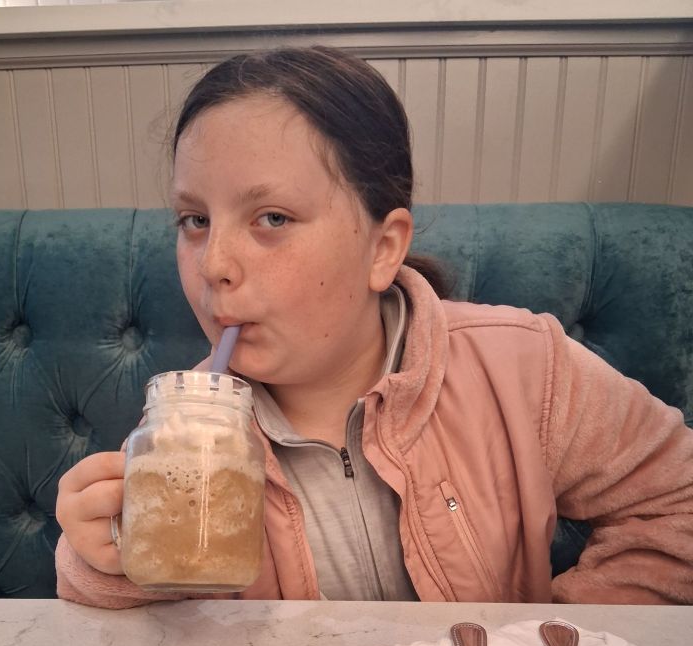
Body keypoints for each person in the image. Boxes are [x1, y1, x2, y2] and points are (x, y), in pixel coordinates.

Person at [55, 46, 693, 608]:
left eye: (272, 218)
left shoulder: (523, 367)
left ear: (383, 248)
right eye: (195, 220)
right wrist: (108, 566)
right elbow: (156, 645)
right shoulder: (184, 430)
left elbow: (677, 500)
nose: (213, 264)